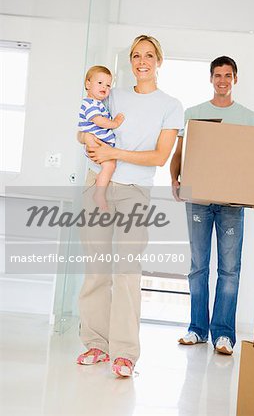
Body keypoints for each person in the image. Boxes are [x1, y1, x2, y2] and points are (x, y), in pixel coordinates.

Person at [76, 35, 184, 376]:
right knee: (96, 270)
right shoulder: (115, 94)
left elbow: (160, 156)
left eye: (149, 55)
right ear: (130, 62)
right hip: (99, 185)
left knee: (125, 272)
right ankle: (96, 344)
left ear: (159, 61)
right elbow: (84, 126)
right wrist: (87, 139)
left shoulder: (170, 105)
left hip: (136, 191)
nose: (142, 61)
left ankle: (124, 353)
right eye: (136, 55)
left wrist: (114, 153)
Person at [170, 56, 254, 355]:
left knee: (229, 270)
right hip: (199, 201)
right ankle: (197, 329)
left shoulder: (248, 117)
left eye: (228, 75)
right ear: (211, 79)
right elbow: (180, 152)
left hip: (232, 205)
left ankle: (223, 334)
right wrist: (174, 181)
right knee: (198, 267)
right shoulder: (194, 113)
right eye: (217, 75)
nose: (222, 80)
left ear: (235, 78)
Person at [78, 65, 125, 210]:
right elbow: (98, 121)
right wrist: (115, 123)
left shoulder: (97, 103)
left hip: (100, 145)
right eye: (100, 83)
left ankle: (99, 183)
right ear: (88, 84)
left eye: (108, 85)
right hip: (97, 145)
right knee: (109, 166)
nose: (104, 87)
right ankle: (99, 193)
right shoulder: (90, 103)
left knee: (108, 166)